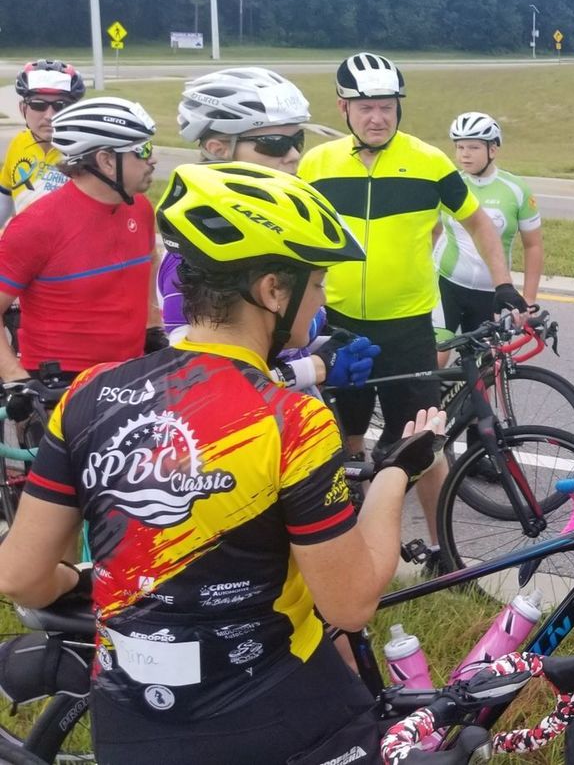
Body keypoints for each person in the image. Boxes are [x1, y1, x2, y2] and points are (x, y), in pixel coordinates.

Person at [0, 163, 441, 764]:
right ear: (273, 290)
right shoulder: (290, 420)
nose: (323, 299)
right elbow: (351, 602)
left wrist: (77, 581)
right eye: (317, 283)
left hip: (130, 723)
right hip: (275, 712)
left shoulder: (91, 392)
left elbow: (20, 574)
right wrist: (396, 473)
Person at [298, 53, 528, 567]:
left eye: (386, 106)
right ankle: (355, 552)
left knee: (424, 443)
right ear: (342, 108)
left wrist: (503, 285)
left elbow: (478, 223)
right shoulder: (317, 164)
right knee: (346, 442)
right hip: (339, 324)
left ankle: (445, 553)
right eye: (365, 108)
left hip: (406, 326)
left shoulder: (428, 162)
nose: (377, 117)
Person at [162, 67, 378, 392]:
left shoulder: (268, 227)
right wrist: (317, 367)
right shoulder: (198, 250)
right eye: (275, 144)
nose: (294, 155)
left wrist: (326, 341)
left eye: (297, 140)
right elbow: (197, 378)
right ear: (219, 149)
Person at [0, 97, 165, 385]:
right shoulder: (36, 226)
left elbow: (150, 259)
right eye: (142, 150)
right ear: (106, 161)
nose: (153, 160)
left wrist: (152, 324)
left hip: (130, 375)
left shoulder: (140, 207)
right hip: (60, 384)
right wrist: (17, 379)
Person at [433, 111, 543, 357]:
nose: (464, 154)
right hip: (446, 284)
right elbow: (433, 231)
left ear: (493, 149)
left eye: (473, 147)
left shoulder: (516, 190)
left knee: (486, 366)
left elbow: (533, 246)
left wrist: (529, 300)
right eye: (460, 147)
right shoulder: (451, 185)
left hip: (490, 293)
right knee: (437, 358)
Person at [1, 59, 86, 226]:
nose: (49, 116)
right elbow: (4, 198)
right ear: (22, 109)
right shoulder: (19, 142)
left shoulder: (87, 152)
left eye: (61, 105)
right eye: (38, 105)